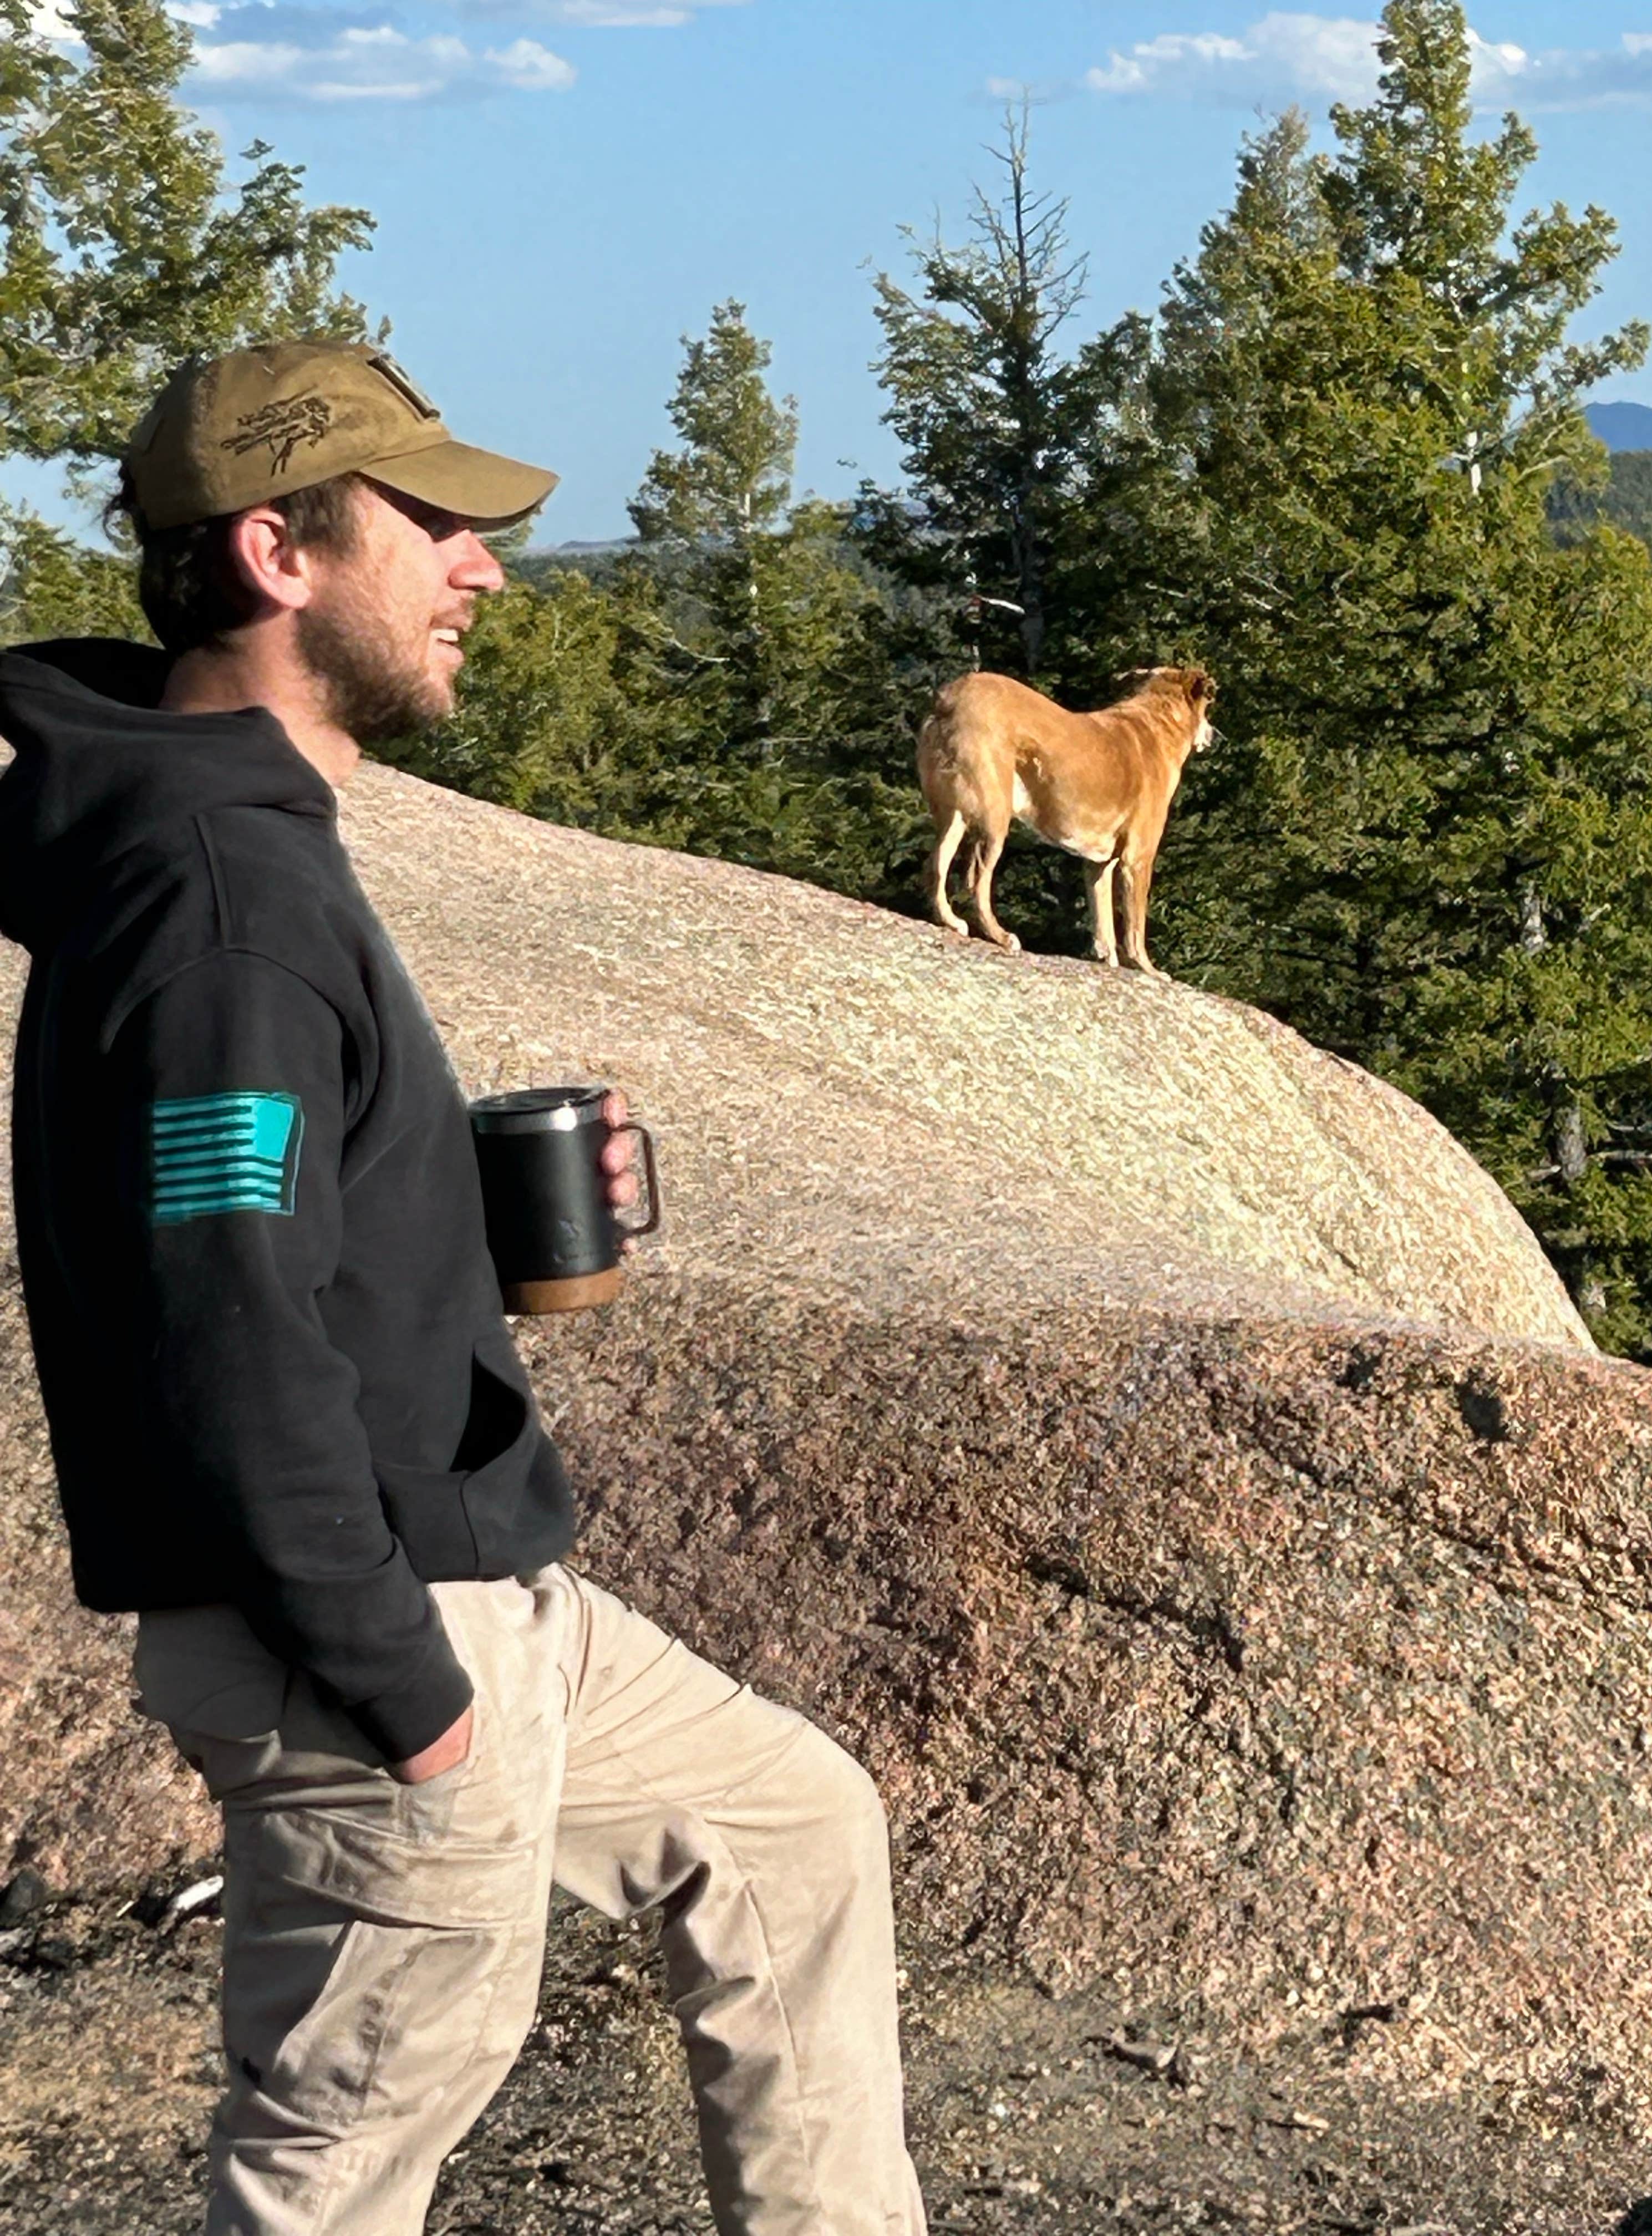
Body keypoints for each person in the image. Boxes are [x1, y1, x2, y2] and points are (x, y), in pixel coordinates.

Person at [0, 339, 926, 2236]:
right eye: (428, 525)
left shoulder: (237, 841)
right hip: (370, 1626)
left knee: (790, 1824)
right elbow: (219, 1332)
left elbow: (274, 1232)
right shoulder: (220, 905)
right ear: (276, 555)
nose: (482, 565)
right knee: (346, 2149)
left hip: (482, 1588)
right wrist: (405, 1695)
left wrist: (478, 1223)